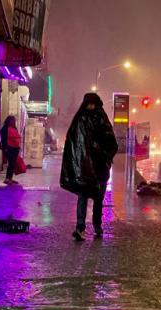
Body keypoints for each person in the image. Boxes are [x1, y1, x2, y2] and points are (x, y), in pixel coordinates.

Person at [60, 93, 118, 241]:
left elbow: (111, 141)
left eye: (93, 104)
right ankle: (80, 227)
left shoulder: (101, 120)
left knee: (98, 198)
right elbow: (73, 143)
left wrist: (105, 157)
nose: (90, 107)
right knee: (83, 196)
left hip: (99, 167)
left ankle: (97, 226)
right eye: (88, 104)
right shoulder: (80, 120)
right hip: (84, 168)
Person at [0, 116, 22, 185]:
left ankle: (10, 178)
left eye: (14, 120)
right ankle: (7, 179)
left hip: (15, 149)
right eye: (12, 120)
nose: (14, 122)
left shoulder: (14, 128)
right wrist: (5, 148)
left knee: (12, 164)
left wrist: (18, 147)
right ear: (8, 121)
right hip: (9, 149)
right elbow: (3, 138)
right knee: (10, 164)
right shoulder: (5, 128)